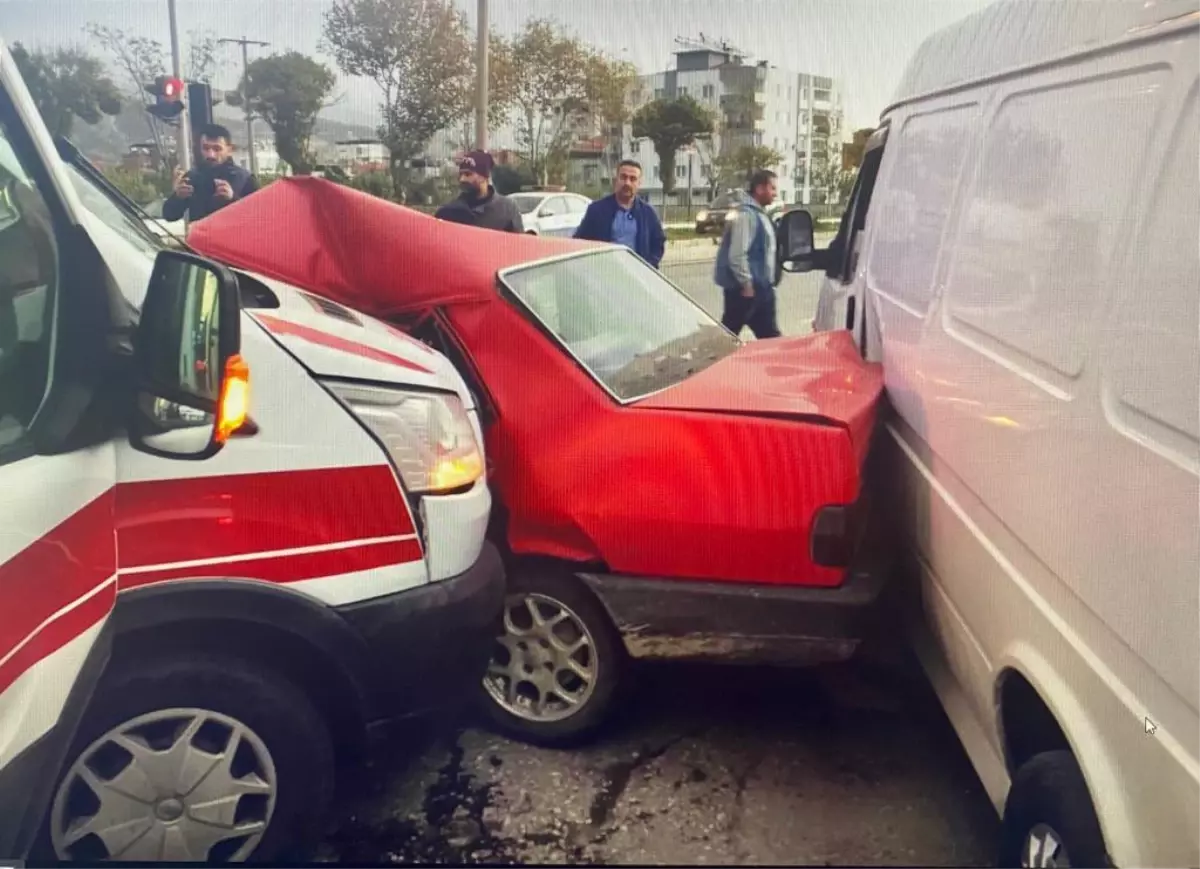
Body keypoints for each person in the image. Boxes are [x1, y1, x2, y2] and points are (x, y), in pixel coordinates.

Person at [713, 169, 781, 339]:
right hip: (746, 291)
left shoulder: (759, 214)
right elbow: (737, 254)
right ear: (759, 189)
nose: (775, 193)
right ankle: (708, 362)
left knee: (769, 337)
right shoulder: (746, 216)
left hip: (761, 288)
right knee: (728, 336)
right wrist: (747, 284)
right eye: (772, 188)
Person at [573, 160, 666, 268]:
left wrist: (648, 266)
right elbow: (580, 241)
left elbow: (658, 244)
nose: (627, 183)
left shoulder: (648, 213)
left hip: (637, 276)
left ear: (639, 184)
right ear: (616, 180)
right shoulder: (597, 210)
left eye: (632, 179)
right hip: (604, 275)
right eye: (623, 177)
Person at [162, 124, 258, 223]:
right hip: (201, 237)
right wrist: (178, 197)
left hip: (232, 237)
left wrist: (232, 199)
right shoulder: (193, 177)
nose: (211, 155)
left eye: (217, 149)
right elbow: (169, 216)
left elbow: (257, 218)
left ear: (229, 150)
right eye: (206, 148)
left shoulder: (245, 179)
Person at [435, 151, 524, 232]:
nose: (462, 179)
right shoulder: (448, 211)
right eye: (461, 174)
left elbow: (517, 245)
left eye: (468, 174)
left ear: (484, 177)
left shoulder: (507, 209)